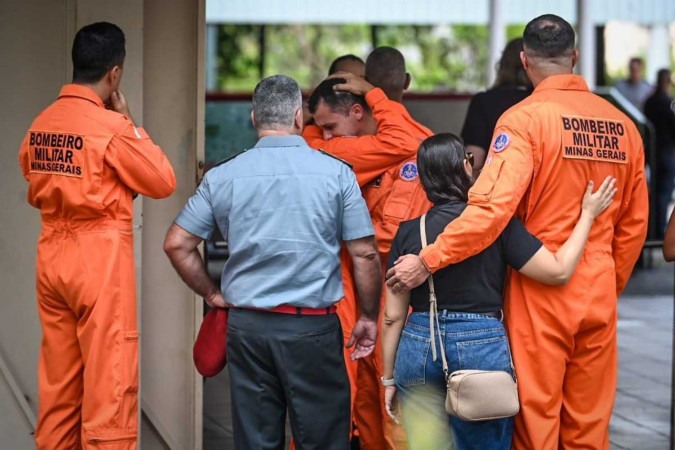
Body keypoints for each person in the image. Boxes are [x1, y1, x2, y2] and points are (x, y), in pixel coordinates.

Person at [386, 14, 648, 449]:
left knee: (535, 421)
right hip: (598, 287)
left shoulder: (524, 120)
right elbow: (634, 224)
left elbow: (490, 211)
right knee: (589, 422)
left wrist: (430, 257)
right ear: (575, 57)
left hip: (538, 289)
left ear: (525, 61)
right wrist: (607, 282)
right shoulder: (623, 125)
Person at [163, 75, 381, 450]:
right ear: (299, 117)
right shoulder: (337, 173)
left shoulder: (222, 176)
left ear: (253, 118)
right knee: (324, 440)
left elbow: (177, 244)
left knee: (256, 441)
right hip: (312, 329)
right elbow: (364, 253)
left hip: (247, 329)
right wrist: (367, 316)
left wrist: (213, 294)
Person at [381, 133, 616, 450]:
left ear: (423, 180)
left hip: (419, 345)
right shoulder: (495, 225)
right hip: (481, 343)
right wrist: (587, 215)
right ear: (466, 166)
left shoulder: (409, 232)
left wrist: (388, 379)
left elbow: (393, 317)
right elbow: (559, 270)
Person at [18, 22, 176, 449]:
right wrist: (129, 122)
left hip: (52, 255)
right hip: (99, 260)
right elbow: (162, 180)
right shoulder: (111, 128)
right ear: (115, 74)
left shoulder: (41, 123)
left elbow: (30, 176)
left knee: (59, 386)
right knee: (110, 385)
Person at [305, 50, 433, 448]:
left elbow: (397, 234)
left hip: (393, 286)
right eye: (319, 123)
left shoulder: (405, 148)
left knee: (387, 394)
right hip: (348, 282)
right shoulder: (327, 145)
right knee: (340, 393)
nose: (326, 133)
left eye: (331, 123)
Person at [461, 38, 532, 178]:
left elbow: (474, 159)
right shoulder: (542, 100)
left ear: (502, 65)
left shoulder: (483, 101)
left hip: (496, 189)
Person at [644, 68, 675, 238]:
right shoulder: (669, 103)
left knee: (654, 193)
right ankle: (660, 231)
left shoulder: (650, 101)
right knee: (664, 193)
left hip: (653, 153)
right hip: (667, 153)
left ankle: (653, 230)